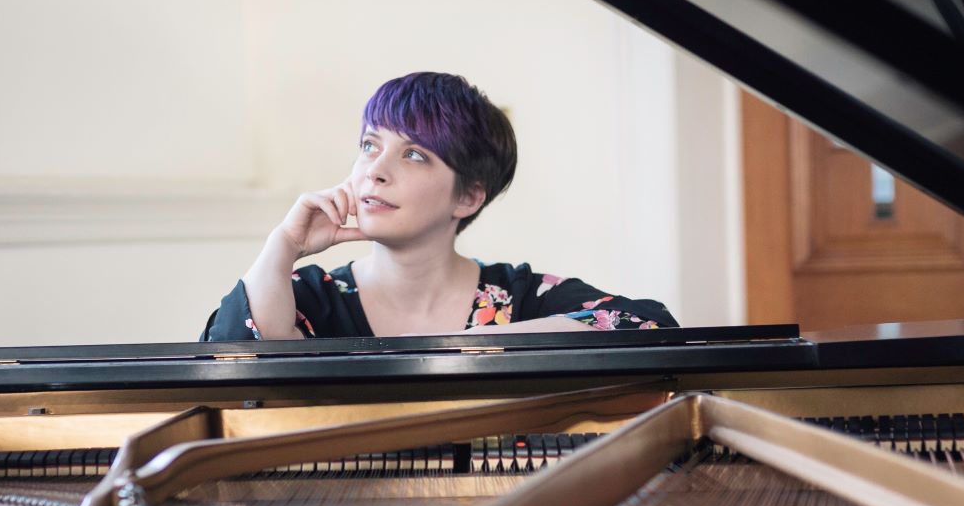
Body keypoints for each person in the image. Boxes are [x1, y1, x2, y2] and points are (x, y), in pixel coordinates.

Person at [201, 72, 676, 340]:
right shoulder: (311, 296)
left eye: (414, 155)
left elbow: (650, 325)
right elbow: (228, 359)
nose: (375, 170)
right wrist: (283, 245)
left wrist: (472, 343)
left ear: (467, 197)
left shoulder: (518, 297)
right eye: (370, 145)